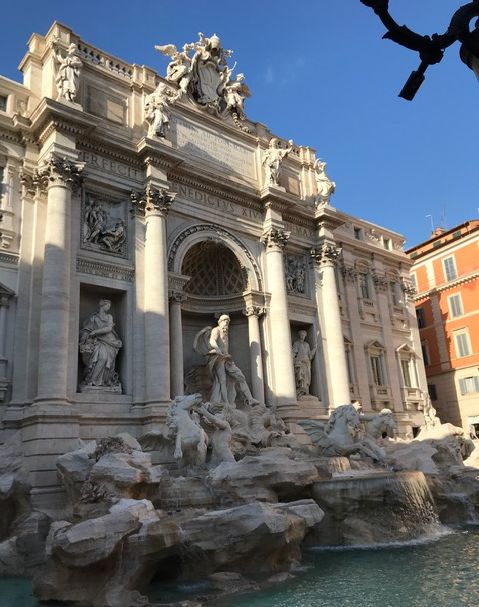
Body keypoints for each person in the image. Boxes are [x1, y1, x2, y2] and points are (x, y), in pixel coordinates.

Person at [194, 314, 259, 407]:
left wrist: (224, 354)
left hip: (227, 359)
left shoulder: (225, 333)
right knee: (222, 380)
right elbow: (212, 341)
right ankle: (226, 402)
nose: (226, 324)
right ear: (219, 322)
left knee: (240, 376)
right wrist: (219, 352)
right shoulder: (216, 330)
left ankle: (250, 399)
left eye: (227, 322)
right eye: (224, 321)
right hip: (218, 358)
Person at [79, 299, 122, 388]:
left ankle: (103, 381)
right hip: (97, 341)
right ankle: (92, 380)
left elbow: (109, 329)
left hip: (109, 340)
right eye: (107, 306)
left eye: (109, 306)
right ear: (102, 306)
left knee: (105, 359)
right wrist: (85, 336)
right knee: (100, 358)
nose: (108, 308)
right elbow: (87, 329)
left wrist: (95, 332)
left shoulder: (109, 316)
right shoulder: (93, 317)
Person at [292, 330, 316, 398]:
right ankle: (301, 391)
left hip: (307, 363)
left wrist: (314, 349)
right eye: (301, 335)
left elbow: (310, 355)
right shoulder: (296, 343)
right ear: (299, 335)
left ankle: (306, 391)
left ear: (305, 336)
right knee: (300, 376)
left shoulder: (307, 344)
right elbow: (294, 353)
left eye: (304, 335)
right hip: (300, 362)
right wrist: (293, 360)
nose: (302, 336)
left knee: (307, 378)